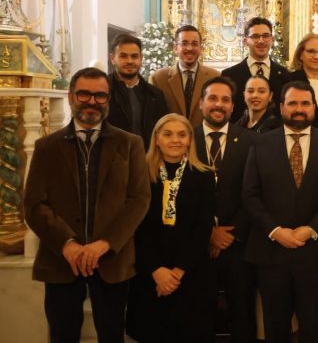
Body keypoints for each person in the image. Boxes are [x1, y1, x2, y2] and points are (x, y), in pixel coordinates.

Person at [24, 67, 150, 343]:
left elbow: (139, 199)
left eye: (100, 96)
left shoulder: (130, 144)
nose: (92, 101)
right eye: (84, 94)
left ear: (108, 99)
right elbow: (34, 203)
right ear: (71, 96)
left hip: (111, 260)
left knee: (112, 334)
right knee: (62, 334)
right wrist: (67, 244)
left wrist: (104, 243)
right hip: (61, 260)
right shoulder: (47, 146)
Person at [243, 81, 318, 342]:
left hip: (315, 251)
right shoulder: (260, 143)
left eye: (304, 103)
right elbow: (250, 195)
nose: (299, 109)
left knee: (313, 325)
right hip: (271, 250)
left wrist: (310, 229)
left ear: (313, 107)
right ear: (281, 107)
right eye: (293, 103)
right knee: (275, 326)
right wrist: (276, 231)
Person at [125, 113, 215, 342]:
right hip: (149, 271)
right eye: (167, 134)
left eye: (182, 135)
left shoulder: (204, 175)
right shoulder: (139, 174)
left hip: (190, 271)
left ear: (190, 140)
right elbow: (137, 226)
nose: (175, 140)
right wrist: (157, 270)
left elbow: (202, 227)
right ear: (156, 139)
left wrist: (178, 271)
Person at [193, 76, 258, 342]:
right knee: (199, 312)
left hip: (238, 243)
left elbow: (255, 191)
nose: (218, 105)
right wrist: (208, 231)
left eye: (225, 100)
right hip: (196, 243)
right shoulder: (185, 138)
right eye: (212, 98)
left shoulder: (251, 141)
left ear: (234, 106)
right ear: (201, 103)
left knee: (242, 312)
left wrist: (230, 233)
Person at [150, 24, 221, 127]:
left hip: (204, 140)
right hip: (172, 140)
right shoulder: (158, 79)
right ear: (175, 48)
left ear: (201, 48)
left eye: (195, 44)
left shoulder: (215, 77)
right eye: (184, 43)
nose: (189, 48)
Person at [106, 33, 169, 149]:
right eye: (123, 56)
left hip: (147, 160)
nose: (130, 61)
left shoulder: (155, 95)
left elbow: (164, 130)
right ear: (112, 59)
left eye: (134, 56)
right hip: (112, 161)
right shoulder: (103, 93)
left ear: (141, 58)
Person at [222, 16, 288, 123]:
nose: (261, 41)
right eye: (255, 36)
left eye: (266, 36)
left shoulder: (284, 74)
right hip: (240, 135)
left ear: (271, 39)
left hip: (275, 136)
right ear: (245, 41)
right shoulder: (229, 75)